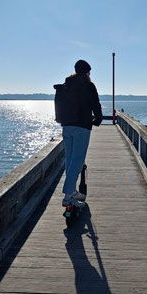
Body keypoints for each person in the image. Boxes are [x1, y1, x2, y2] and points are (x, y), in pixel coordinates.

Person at [61, 60, 103, 208]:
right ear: (87, 72)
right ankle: (68, 194)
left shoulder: (67, 85)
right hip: (82, 127)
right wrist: (98, 119)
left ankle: (71, 191)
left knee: (70, 158)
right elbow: (95, 104)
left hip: (66, 126)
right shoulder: (88, 86)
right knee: (77, 160)